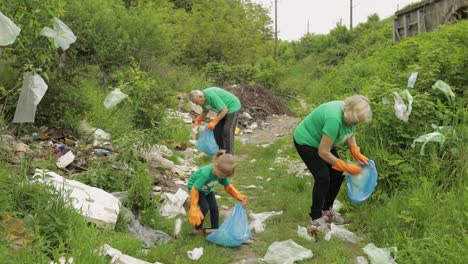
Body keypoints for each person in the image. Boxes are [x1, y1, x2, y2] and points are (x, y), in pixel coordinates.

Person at [293, 95, 372, 231]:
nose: (355, 125)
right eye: (354, 122)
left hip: (323, 141)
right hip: (306, 141)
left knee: (337, 174)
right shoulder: (334, 119)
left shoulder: (351, 113)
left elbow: (350, 133)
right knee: (323, 177)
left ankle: (327, 210)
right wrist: (346, 166)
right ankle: (316, 217)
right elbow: (323, 152)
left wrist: (356, 152)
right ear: (348, 116)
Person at [187, 150, 247, 235]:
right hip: (196, 189)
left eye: (225, 176)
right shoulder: (206, 173)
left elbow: (228, 187)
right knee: (204, 207)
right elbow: (195, 188)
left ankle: (214, 228)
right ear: (216, 166)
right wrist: (193, 206)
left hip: (207, 190)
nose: (223, 177)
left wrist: (238, 195)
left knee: (214, 208)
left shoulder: (223, 172)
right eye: (221, 175)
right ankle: (197, 229)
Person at [190, 87, 241, 154]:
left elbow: (224, 110)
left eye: (197, 102)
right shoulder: (203, 101)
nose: (197, 104)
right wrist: (198, 120)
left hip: (233, 106)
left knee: (227, 131)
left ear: (200, 96)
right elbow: (205, 110)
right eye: (195, 103)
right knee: (217, 130)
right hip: (223, 109)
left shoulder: (211, 95)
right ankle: (222, 152)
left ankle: (229, 155)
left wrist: (214, 121)